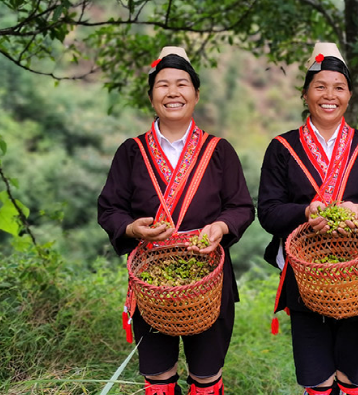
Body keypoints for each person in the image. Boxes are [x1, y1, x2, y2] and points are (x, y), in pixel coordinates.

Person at [98, 46, 254, 395]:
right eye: (163, 85)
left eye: (182, 84)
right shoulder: (132, 151)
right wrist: (131, 228)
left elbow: (242, 207)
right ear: (151, 96)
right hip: (152, 281)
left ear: (196, 94)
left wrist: (221, 227)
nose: (173, 92)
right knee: (157, 376)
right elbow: (110, 208)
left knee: (207, 375)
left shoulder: (219, 150)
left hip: (209, 277)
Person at [257, 42, 358, 395]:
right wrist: (306, 212)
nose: (329, 95)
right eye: (320, 86)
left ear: (349, 96)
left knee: (353, 378)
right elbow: (269, 211)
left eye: (339, 87)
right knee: (316, 377)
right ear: (305, 93)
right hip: (306, 276)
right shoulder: (282, 148)